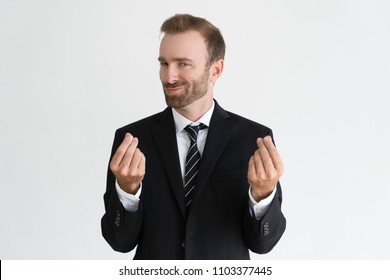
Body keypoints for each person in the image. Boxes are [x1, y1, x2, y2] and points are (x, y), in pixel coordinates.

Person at [101, 14, 286, 260]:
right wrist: (127, 191)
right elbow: (119, 242)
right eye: (164, 64)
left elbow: (263, 244)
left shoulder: (254, 139)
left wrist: (263, 194)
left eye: (183, 64)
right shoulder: (133, 140)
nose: (169, 77)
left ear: (215, 70)